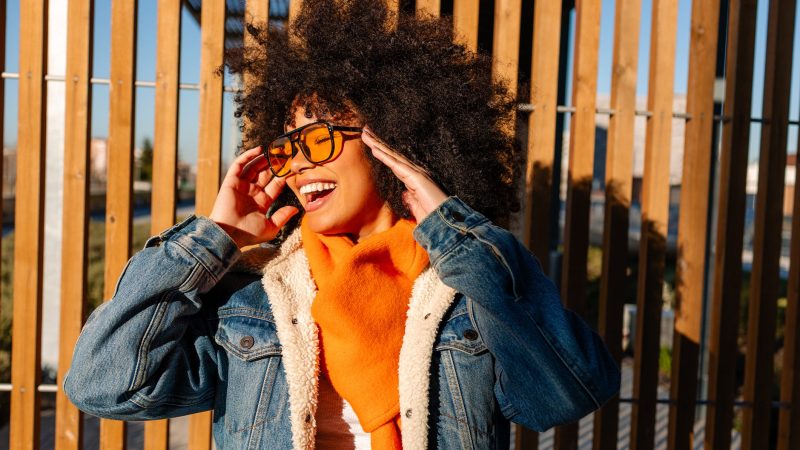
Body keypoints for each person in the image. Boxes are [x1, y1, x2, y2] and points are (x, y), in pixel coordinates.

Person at [63, 1, 620, 449]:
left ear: (391, 139)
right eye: (288, 146)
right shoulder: (252, 298)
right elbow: (103, 385)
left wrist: (457, 235)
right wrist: (213, 240)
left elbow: (568, 393)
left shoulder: (466, 289)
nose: (299, 163)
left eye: (320, 138)